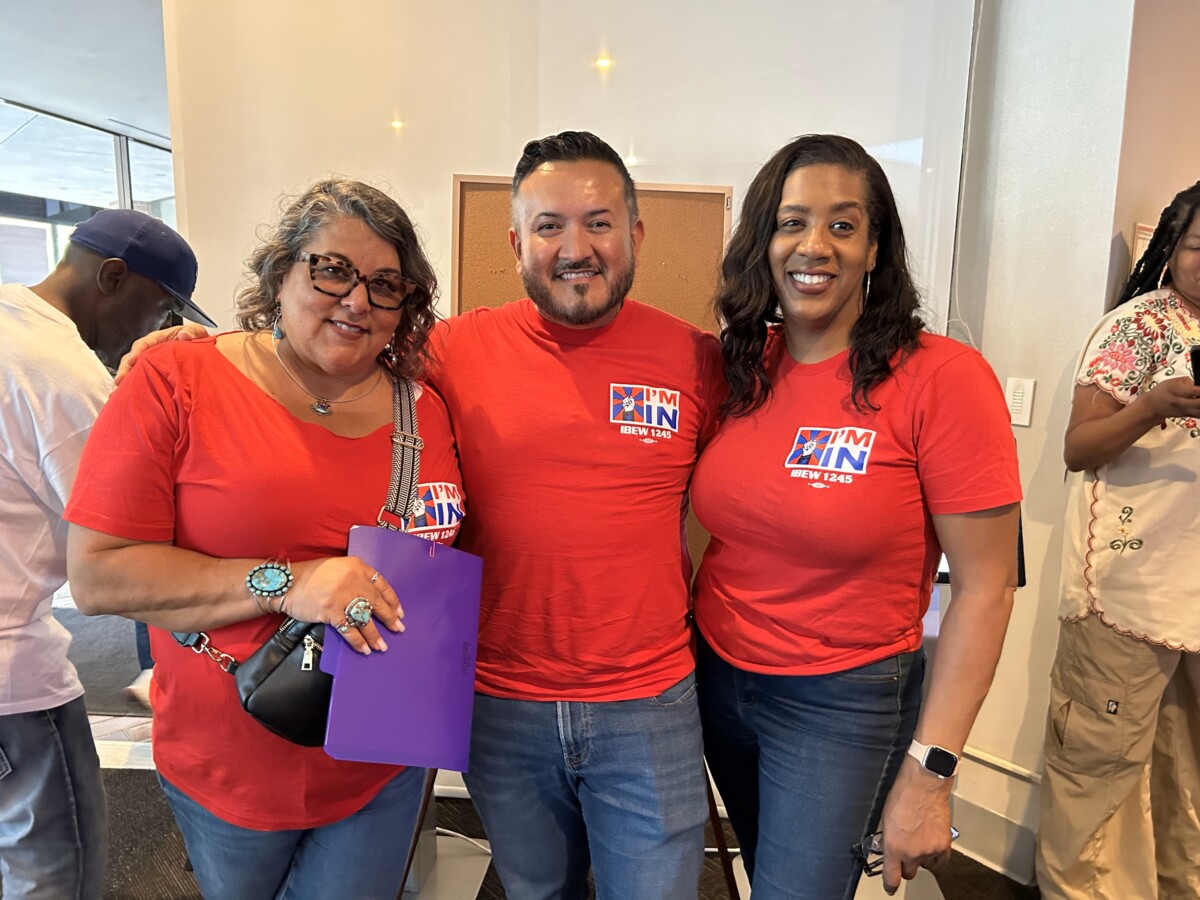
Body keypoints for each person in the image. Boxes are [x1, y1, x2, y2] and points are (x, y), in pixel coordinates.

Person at [63, 179, 464, 900]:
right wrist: (289, 582)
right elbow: (98, 578)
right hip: (233, 759)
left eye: (385, 284)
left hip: (383, 760)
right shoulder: (175, 379)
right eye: (332, 270)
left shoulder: (427, 405)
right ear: (280, 273)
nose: (357, 300)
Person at [690, 134, 1022, 899]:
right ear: (763, 243)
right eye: (792, 221)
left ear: (876, 248)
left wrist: (930, 774)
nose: (815, 245)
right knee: (763, 870)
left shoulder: (942, 377)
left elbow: (986, 589)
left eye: (843, 225)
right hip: (720, 677)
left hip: (841, 699)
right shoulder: (742, 366)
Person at [427, 131, 723, 898]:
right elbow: (330, 367)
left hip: (649, 700)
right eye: (550, 225)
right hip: (501, 699)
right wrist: (218, 351)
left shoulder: (698, 360)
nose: (575, 246)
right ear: (517, 241)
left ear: (635, 234)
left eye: (598, 222)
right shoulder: (450, 350)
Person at [0, 208, 209, 899]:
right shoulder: (60, 373)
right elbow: (122, 546)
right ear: (113, 277)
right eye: (158, 312)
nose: (155, 331)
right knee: (54, 872)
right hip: (13, 686)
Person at [1036, 181, 1200, 899]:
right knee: (1097, 775)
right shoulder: (1139, 328)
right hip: (1125, 594)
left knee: (1182, 777)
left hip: (1193, 595)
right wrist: (1154, 406)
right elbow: (1079, 447)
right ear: (1171, 248)